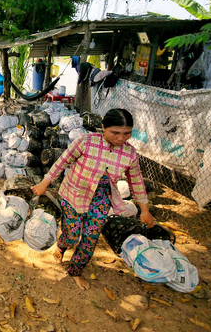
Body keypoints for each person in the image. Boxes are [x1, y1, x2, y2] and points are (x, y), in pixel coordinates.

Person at [31, 108, 155, 291]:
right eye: (115, 132)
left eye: (127, 133)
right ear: (103, 127)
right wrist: (44, 183)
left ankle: (75, 271)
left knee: (90, 238)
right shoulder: (86, 141)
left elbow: (136, 182)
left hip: (101, 200)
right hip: (73, 194)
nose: (121, 138)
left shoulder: (130, 154)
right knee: (72, 235)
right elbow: (62, 161)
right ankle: (61, 246)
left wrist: (145, 210)